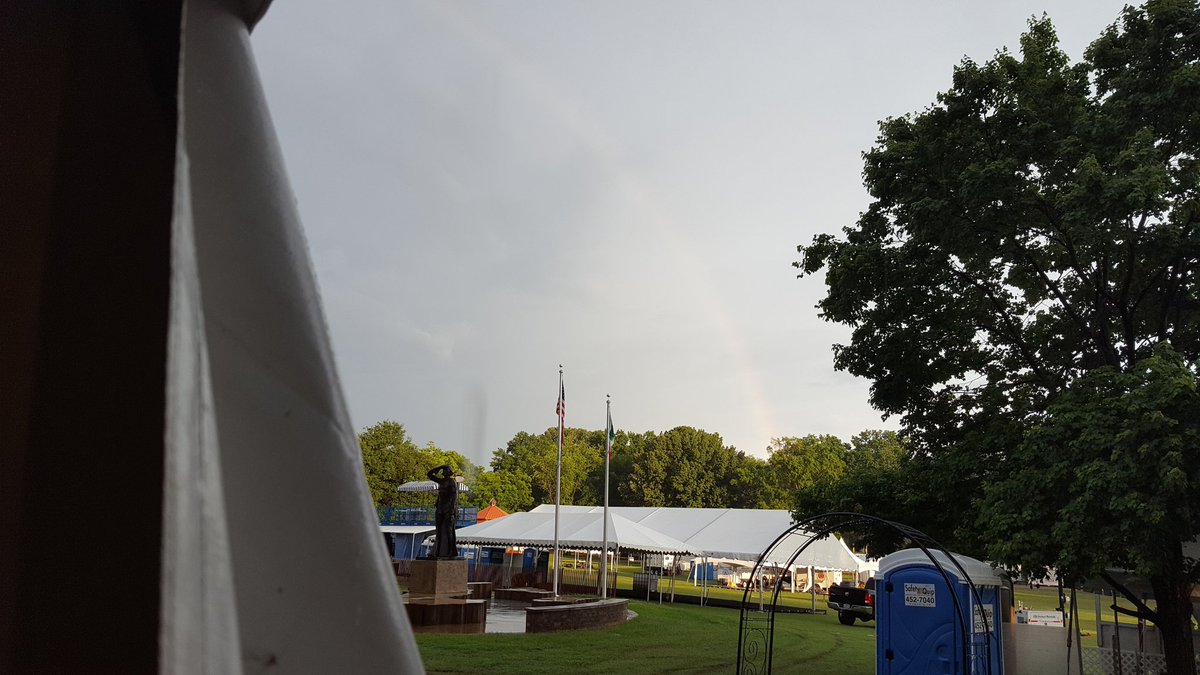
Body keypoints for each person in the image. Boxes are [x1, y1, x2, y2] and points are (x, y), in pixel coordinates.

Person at [426, 465, 458, 559]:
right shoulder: (441, 481)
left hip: (448, 508)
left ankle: (451, 551)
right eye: (443, 470)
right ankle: (437, 551)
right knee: (438, 530)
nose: (443, 471)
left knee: (449, 531)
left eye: (445, 470)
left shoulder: (452, 482)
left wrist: (452, 509)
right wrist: (439, 467)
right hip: (440, 507)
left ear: (449, 472)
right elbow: (429, 474)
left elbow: (454, 496)